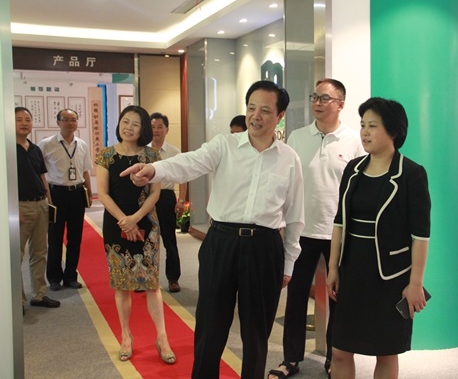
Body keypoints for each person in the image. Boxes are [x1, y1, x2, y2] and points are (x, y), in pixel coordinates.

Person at [121, 80, 304, 379]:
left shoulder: (289, 159)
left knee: (257, 332)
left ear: (280, 116)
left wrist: (289, 262)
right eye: (251, 108)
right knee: (210, 326)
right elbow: (189, 163)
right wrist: (155, 170)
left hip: (264, 247)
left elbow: (295, 216)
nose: (256, 116)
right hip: (221, 242)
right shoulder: (225, 145)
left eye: (265, 110)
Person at [326, 97, 431, 379]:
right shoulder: (353, 169)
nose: (365, 132)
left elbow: (420, 236)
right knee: (340, 350)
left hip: (390, 276)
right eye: (363, 125)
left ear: (393, 131)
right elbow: (339, 221)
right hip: (352, 271)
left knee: (385, 352)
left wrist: (415, 284)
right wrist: (333, 267)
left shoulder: (411, 174)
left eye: (373, 126)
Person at [268, 78, 364, 379]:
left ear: (341, 104)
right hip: (302, 231)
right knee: (296, 297)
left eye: (325, 98)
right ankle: (291, 358)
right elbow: (285, 183)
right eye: (314, 97)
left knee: (340, 300)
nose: (317, 103)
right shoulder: (297, 137)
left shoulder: (354, 140)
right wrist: (281, 222)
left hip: (340, 233)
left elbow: (360, 190)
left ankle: (335, 358)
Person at [96, 105, 175, 364]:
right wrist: (125, 221)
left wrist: (136, 219)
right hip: (116, 225)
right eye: (125, 121)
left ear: (143, 130)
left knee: (151, 284)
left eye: (135, 124)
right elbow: (103, 193)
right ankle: (126, 336)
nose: (128, 127)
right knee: (122, 285)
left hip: (147, 225)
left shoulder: (152, 155)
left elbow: (155, 192)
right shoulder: (106, 155)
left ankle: (162, 338)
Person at [38, 108, 93, 291]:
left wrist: (89, 193)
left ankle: (70, 276)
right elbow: (40, 173)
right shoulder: (46, 144)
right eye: (66, 119)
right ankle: (54, 278)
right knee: (55, 237)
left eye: (74, 119)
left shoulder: (82, 145)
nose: (70, 123)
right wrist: (47, 197)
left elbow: (85, 171)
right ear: (58, 122)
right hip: (56, 194)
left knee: (75, 237)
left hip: (77, 194)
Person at [15, 107, 61, 312]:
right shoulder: (6, 150)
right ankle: (17, 301)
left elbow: (43, 177)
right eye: (19, 120)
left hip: (40, 204)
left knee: (40, 252)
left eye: (27, 119)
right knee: (16, 255)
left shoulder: (34, 149)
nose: (24, 123)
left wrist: (49, 204)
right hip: (19, 207)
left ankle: (39, 294)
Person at [149, 112, 187, 293]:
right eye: (152, 127)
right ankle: (145, 277)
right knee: (147, 240)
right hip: (147, 198)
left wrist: (181, 200)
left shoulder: (174, 152)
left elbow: (183, 177)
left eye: (159, 127)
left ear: (167, 129)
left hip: (165, 197)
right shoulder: (142, 150)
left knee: (169, 239)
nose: (156, 130)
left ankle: (173, 279)